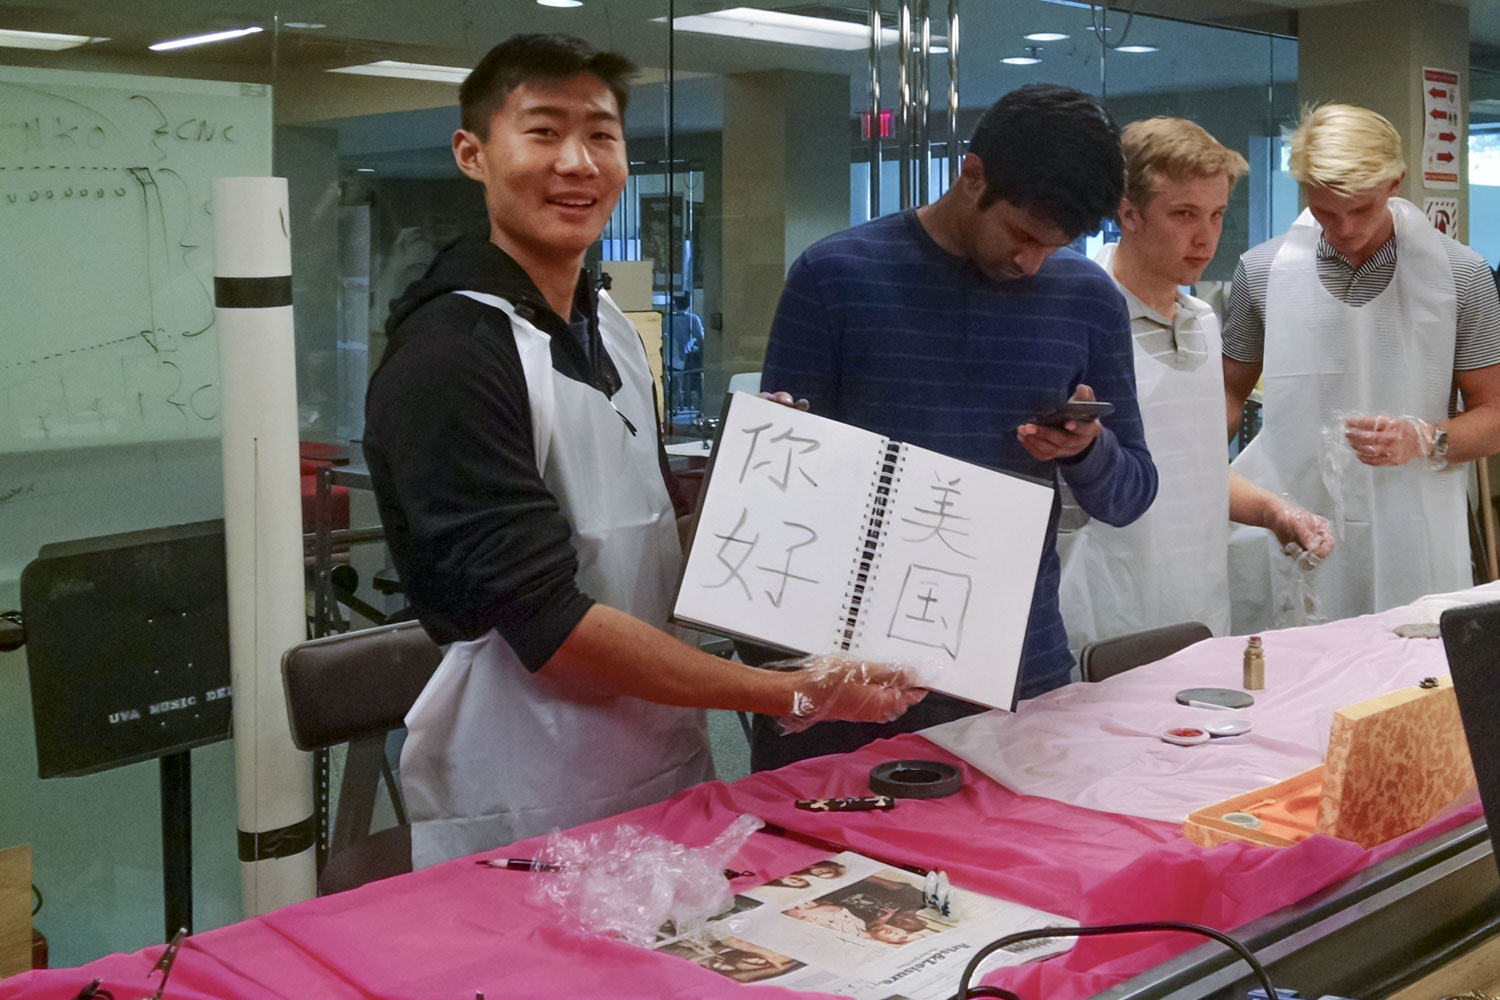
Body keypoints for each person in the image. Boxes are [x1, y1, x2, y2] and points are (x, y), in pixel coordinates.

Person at [362, 33, 924, 868]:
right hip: (524, 782)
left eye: (601, 135)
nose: (577, 162)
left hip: (657, 755)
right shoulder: (450, 351)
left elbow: (639, 539)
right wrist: (785, 690)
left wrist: (753, 495)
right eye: (543, 132)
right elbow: (550, 626)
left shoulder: (613, 327)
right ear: (472, 154)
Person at [753, 83, 1158, 771]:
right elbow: (775, 497)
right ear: (972, 177)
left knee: (1021, 870)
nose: (1031, 262)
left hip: (1019, 670)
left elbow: (1131, 495)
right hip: (853, 675)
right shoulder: (837, 276)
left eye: (1055, 246)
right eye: (1023, 236)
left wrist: (1087, 450)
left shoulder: (1086, 298)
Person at [1058, 117, 1333, 650]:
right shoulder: (1078, 321)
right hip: (1103, 596)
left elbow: (1196, 467)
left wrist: (1275, 512)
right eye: (1183, 214)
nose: (1205, 236)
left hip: (1199, 592)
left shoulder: (1203, 321)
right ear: (1128, 212)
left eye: (1216, 214)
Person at [1223, 104, 1500, 626]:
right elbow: (1229, 397)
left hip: (1413, 524)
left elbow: (1494, 415)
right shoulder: (1260, 271)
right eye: (1327, 211)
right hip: (1291, 518)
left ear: (1396, 183)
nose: (1345, 228)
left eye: (1362, 209)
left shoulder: (1461, 275)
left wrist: (1427, 438)